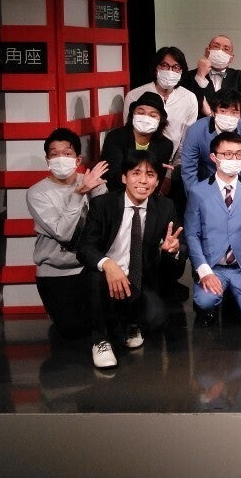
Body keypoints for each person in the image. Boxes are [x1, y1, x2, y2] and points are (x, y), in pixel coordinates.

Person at [77, 150, 187, 369]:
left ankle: (132, 324)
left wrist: (171, 250)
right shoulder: (103, 204)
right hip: (107, 276)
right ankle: (101, 340)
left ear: (157, 181)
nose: (143, 181)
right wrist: (108, 264)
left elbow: (176, 262)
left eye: (150, 174)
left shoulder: (165, 207)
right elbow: (85, 248)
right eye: (136, 173)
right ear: (124, 177)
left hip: (141, 278)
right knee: (94, 277)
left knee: (156, 318)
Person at [185, 131, 241, 329]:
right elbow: (191, 234)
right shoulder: (198, 191)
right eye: (227, 154)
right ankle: (215, 302)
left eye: (238, 154)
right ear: (214, 157)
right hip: (214, 265)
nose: (234, 159)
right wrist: (204, 271)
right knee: (205, 300)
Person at [26, 128, 108, 339]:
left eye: (67, 153)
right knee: (71, 331)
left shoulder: (94, 184)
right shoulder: (37, 193)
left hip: (90, 267)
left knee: (106, 324)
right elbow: (63, 233)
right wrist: (79, 194)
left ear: (78, 159)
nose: (60, 158)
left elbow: (105, 228)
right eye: (54, 154)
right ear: (47, 161)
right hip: (56, 272)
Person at [123, 46, 201, 165]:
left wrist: (177, 165)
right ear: (156, 68)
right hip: (138, 161)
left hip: (173, 163)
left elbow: (187, 137)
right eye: (165, 65)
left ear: (182, 71)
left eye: (176, 67)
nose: (170, 71)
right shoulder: (135, 95)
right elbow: (128, 131)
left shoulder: (189, 98)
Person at [180, 88, 241, 184]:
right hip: (205, 181)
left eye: (234, 113)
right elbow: (189, 168)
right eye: (223, 111)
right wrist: (196, 191)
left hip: (237, 182)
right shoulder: (196, 130)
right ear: (213, 112)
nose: (229, 117)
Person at [102, 91, 174, 193]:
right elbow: (113, 175)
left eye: (152, 115)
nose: (146, 118)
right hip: (116, 193)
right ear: (132, 115)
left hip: (147, 195)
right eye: (141, 113)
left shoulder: (165, 145)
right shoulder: (116, 137)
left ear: (160, 120)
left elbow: (156, 182)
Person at [181, 34, 241, 120]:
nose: (220, 51)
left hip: (232, 127)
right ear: (207, 52)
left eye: (226, 49)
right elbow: (186, 106)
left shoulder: (240, 77)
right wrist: (200, 77)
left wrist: (212, 114)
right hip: (200, 126)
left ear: (231, 58)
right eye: (216, 46)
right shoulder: (189, 76)